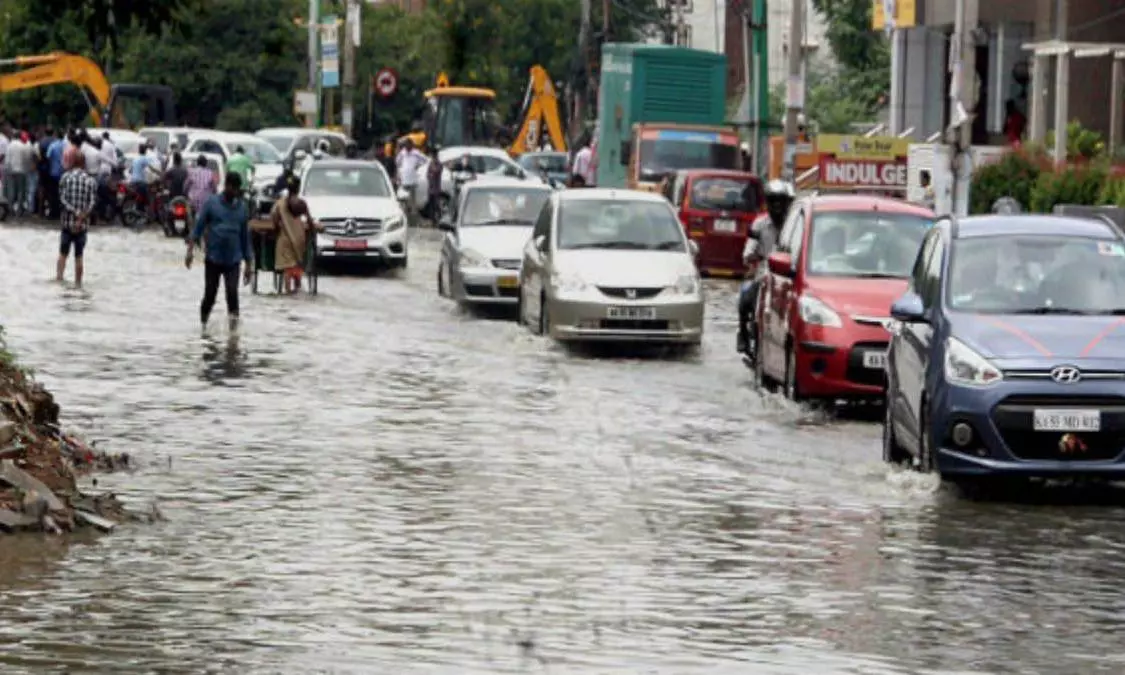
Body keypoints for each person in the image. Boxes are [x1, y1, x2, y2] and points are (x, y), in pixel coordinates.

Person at [186, 172, 253, 331]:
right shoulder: (212, 203)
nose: (236, 193)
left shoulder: (242, 209)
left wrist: (249, 264)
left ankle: (234, 335)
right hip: (213, 258)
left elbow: (245, 238)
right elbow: (198, 228)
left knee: (232, 294)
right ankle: (203, 325)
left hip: (233, 260)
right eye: (234, 189)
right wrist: (190, 251)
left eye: (238, 190)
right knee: (210, 295)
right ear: (227, 186)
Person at [737, 179, 795, 356]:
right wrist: (751, 258)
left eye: (780, 201)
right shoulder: (759, 224)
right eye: (773, 201)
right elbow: (748, 250)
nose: (777, 206)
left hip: (788, 276)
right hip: (764, 273)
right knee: (745, 298)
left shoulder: (794, 225)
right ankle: (744, 334)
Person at [271, 175, 323, 294]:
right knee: (297, 265)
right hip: (300, 239)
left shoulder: (280, 203)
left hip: (285, 239)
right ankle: (298, 288)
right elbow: (309, 221)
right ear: (298, 188)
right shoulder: (302, 203)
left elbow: (274, 217)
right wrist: (314, 228)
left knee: (287, 268)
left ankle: (288, 291)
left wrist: (276, 229)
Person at [57, 151, 98, 288]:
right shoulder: (90, 181)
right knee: (79, 256)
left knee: (63, 254)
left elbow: (62, 200)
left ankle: (59, 279)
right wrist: (82, 215)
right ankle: (78, 284)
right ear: (84, 163)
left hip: (67, 224)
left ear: (73, 162)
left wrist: (74, 212)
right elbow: (92, 202)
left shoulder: (65, 177)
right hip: (82, 226)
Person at [3, 130, 33, 217]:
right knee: (21, 191)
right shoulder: (23, 146)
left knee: (11, 190)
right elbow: (26, 158)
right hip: (21, 170)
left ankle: (10, 209)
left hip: (11, 170)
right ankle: (19, 210)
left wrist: (7, 169)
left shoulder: (9, 145)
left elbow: (7, 159)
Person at [45, 129, 66, 220]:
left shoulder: (53, 145)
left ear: (56, 136)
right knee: (62, 193)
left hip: (53, 173)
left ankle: (53, 212)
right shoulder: (66, 146)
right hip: (63, 173)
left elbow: (48, 156)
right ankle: (60, 212)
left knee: (53, 193)